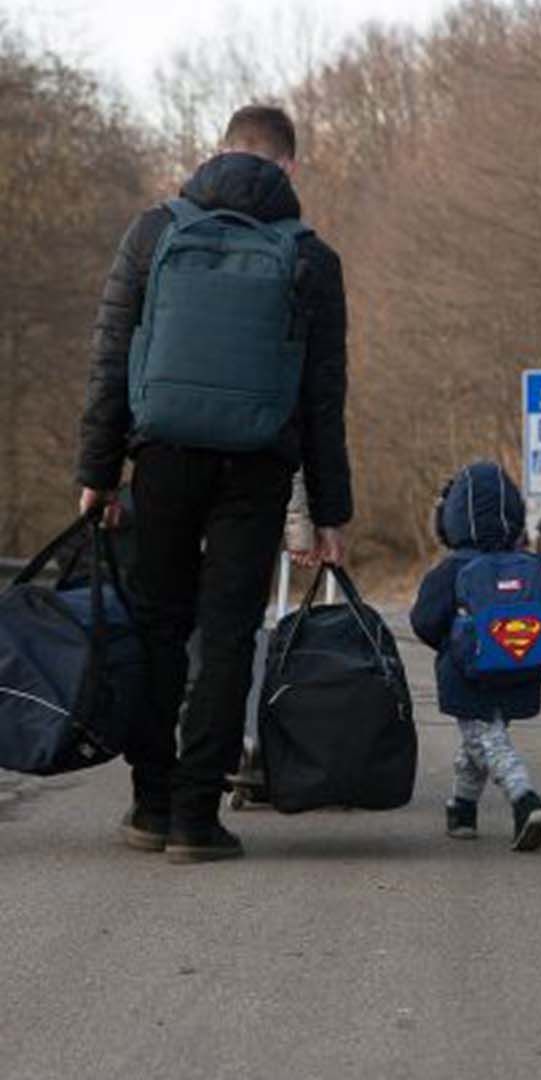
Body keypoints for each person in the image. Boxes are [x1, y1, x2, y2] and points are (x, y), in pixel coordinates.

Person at [76, 104, 350, 864]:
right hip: (258, 466)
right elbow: (323, 398)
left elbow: (111, 357)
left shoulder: (153, 232)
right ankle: (197, 818)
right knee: (228, 634)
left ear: (220, 151)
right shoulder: (311, 257)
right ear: (289, 165)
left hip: (162, 455)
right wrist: (330, 512)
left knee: (157, 626)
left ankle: (149, 804)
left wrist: (97, 472)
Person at [410, 462, 541, 852]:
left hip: (466, 674)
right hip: (522, 669)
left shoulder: (452, 570)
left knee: (486, 737)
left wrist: (451, 644)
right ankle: (461, 808)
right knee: (483, 736)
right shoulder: (535, 567)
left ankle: (525, 799)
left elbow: (424, 621)